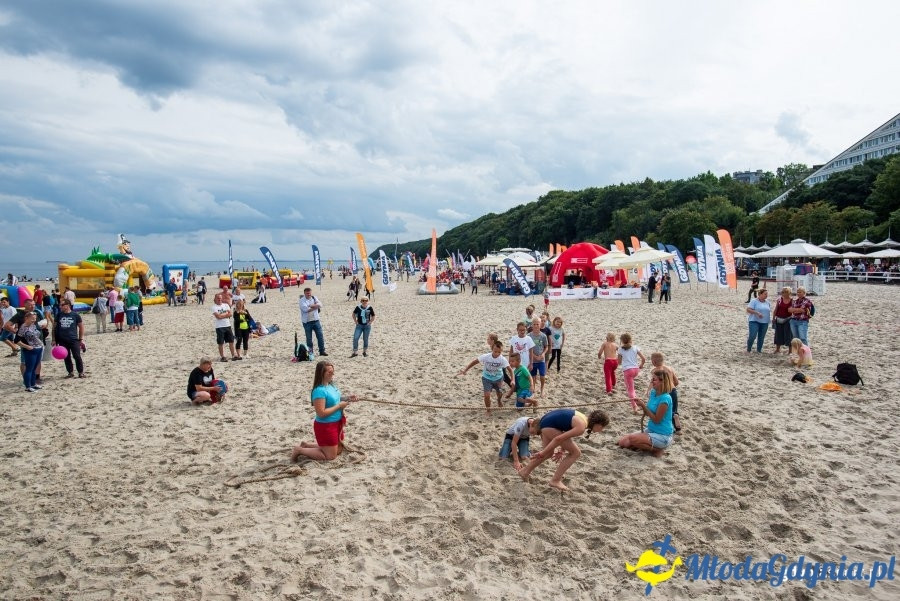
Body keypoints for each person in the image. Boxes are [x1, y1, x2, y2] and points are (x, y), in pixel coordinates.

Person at [517, 409, 609, 491]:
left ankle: (525, 471)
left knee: (549, 453)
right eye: (602, 427)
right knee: (575, 453)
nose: (602, 430)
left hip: (545, 422)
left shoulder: (582, 418)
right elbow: (558, 439)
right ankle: (555, 480)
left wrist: (562, 450)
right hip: (548, 426)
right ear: (597, 424)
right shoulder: (581, 427)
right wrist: (542, 452)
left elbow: (563, 430)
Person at [291, 361, 357, 461]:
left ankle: (306, 445)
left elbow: (335, 400)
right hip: (326, 426)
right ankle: (299, 450)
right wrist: (339, 406)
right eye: (329, 372)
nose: (332, 374)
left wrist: (347, 398)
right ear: (321, 373)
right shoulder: (319, 391)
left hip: (336, 423)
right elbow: (321, 413)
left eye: (333, 372)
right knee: (330, 456)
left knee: (339, 450)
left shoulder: (331, 385)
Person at [618, 369, 675, 457]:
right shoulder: (653, 392)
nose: (651, 381)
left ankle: (658, 450)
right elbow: (648, 411)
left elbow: (656, 420)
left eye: (654, 379)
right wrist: (642, 406)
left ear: (662, 381)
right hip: (651, 430)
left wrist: (643, 406)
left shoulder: (665, 398)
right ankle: (645, 445)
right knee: (622, 442)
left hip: (663, 435)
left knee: (633, 439)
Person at [458, 340, 511, 415]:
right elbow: (474, 362)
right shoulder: (486, 357)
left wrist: (513, 380)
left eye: (499, 352)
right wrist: (465, 370)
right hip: (487, 378)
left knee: (499, 393)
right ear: (492, 349)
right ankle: (488, 410)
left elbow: (510, 370)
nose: (497, 354)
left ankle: (499, 400)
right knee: (487, 395)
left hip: (498, 378)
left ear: (501, 351)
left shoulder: (502, 359)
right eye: (495, 351)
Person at [52, 298, 86, 378]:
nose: (60, 306)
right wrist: (54, 339)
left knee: (77, 356)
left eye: (62, 305)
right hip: (62, 340)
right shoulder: (59, 315)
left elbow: (81, 327)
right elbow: (54, 327)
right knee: (66, 357)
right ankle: (70, 372)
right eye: (60, 305)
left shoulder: (75, 315)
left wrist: (80, 339)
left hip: (73, 339)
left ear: (68, 305)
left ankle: (80, 372)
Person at [650, 352, 681, 434]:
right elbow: (676, 382)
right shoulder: (670, 369)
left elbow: (653, 383)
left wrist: (648, 392)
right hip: (673, 390)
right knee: (674, 409)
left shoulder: (655, 371)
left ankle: (669, 425)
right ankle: (678, 429)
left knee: (666, 411)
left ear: (654, 362)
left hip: (664, 393)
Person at [15, 310, 43, 392]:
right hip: (30, 350)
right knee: (29, 368)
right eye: (32, 319)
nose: (34, 320)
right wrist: (27, 346)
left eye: (35, 318)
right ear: (26, 318)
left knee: (34, 368)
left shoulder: (33, 325)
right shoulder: (23, 328)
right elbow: (16, 340)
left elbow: (37, 335)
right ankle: (28, 386)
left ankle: (33, 384)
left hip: (38, 347)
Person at [617, 332, 645, 410]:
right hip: (636, 370)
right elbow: (643, 359)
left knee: (630, 389)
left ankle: (634, 406)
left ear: (622, 341)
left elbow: (619, 362)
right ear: (630, 339)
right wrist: (641, 365)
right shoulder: (635, 347)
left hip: (628, 371)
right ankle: (636, 401)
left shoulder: (620, 349)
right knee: (631, 387)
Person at [299, 287, 328, 356]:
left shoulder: (314, 298)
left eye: (309, 293)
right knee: (309, 339)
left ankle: (322, 351)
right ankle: (310, 353)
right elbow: (305, 309)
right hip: (307, 322)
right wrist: (316, 306)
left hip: (316, 320)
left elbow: (321, 305)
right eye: (307, 293)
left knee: (320, 336)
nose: (308, 294)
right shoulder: (302, 300)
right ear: (304, 293)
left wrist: (311, 306)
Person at [212, 293, 237, 362]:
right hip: (220, 327)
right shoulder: (214, 307)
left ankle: (233, 355)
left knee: (231, 341)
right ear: (215, 299)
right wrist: (226, 314)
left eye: (220, 298)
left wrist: (223, 315)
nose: (219, 299)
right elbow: (218, 317)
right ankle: (223, 356)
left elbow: (231, 314)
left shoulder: (226, 305)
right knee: (221, 342)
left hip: (227, 325)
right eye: (218, 298)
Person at [528, 318, 549, 397]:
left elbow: (546, 347)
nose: (536, 326)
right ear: (532, 325)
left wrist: (543, 354)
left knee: (542, 375)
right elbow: (528, 348)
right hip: (533, 360)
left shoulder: (543, 336)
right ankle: (533, 389)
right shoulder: (529, 336)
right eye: (534, 324)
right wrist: (534, 356)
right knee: (533, 376)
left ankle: (542, 389)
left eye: (538, 324)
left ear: (540, 325)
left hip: (541, 360)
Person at [746, 288, 771, 353]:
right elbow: (748, 309)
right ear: (760, 294)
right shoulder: (754, 301)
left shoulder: (767, 302)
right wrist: (757, 313)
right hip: (754, 321)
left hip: (765, 322)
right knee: (752, 336)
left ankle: (759, 350)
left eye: (767, 294)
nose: (766, 295)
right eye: (765, 294)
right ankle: (749, 349)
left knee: (761, 337)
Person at [772, 287, 793, 354]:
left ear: (789, 293)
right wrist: (773, 318)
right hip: (779, 318)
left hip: (788, 319)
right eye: (783, 292)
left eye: (785, 292)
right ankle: (778, 349)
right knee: (778, 334)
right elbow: (775, 310)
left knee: (789, 335)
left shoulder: (792, 300)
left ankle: (790, 350)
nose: (783, 293)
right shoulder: (779, 300)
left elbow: (793, 311)